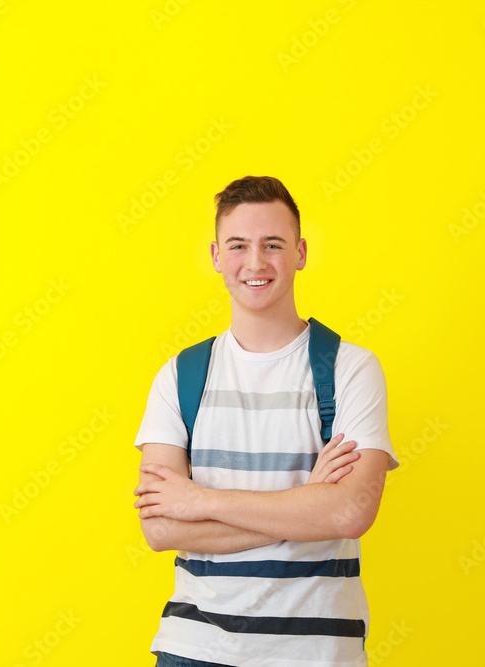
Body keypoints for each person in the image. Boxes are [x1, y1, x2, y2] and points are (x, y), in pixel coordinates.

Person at [132, 175, 400, 667]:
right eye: (239, 245)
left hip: (318, 655)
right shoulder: (179, 375)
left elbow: (350, 513)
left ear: (299, 252)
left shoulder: (350, 369)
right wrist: (307, 505)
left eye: (271, 244)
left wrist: (202, 501)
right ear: (216, 256)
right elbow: (162, 529)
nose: (255, 263)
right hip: (194, 650)